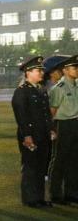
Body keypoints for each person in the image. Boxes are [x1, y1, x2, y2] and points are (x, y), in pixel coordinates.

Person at [11, 56, 54, 207]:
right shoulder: (22, 91)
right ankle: (30, 199)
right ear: (28, 72)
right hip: (31, 135)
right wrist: (27, 135)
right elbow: (21, 116)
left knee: (41, 166)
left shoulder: (41, 90)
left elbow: (46, 113)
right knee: (30, 166)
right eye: (38, 70)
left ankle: (39, 198)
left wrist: (51, 129)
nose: (41, 73)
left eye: (42, 70)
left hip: (43, 134)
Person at [48, 54, 78, 204]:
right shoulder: (59, 88)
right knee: (59, 159)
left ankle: (71, 193)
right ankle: (56, 194)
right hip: (63, 125)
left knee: (74, 160)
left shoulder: (76, 85)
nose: (77, 70)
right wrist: (52, 129)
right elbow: (52, 111)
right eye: (74, 67)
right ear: (65, 70)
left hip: (75, 124)